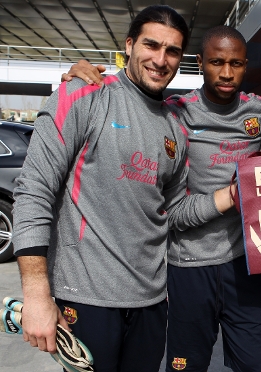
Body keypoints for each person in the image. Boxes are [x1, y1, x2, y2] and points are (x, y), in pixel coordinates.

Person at [63, 26, 261, 372]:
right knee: (186, 365)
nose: (226, 72)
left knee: (255, 365)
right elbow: (132, 101)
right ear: (199, 63)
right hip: (189, 267)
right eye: (217, 62)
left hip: (247, 263)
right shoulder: (176, 111)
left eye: (235, 63)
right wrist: (83, 77)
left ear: (245, 66)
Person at [13, 6, 191, 372]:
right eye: (151, 45)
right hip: (86, 298)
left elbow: (172, 212)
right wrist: (36, 295)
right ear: (129, 44)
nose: (161, 59)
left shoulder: (177, 126)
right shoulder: (83, 95)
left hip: (152, 301)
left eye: (172, 51)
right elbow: (33, 191)